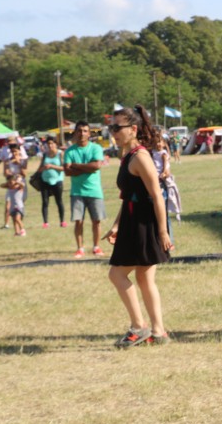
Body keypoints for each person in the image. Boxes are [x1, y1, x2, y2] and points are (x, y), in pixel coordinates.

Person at [103, 105, 173, 347]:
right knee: (144, 278)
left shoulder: (141, 157)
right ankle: (159, 332)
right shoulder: (128, 156)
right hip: (133, 222)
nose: (113, 131)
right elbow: (131, 196)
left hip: (144, 225)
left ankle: (138, 326)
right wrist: (116, 225)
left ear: (132, 129)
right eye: (111, 126)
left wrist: (163, 231)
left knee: (116, 274)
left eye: (117, 127)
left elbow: (156, 195)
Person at [64, 121, 106, 258]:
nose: (82, 133)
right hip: (77, 192)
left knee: (97, 221)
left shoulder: (96, 148)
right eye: (79, 130)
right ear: (75, 133)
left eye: (85, 131)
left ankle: (96, 246)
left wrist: (76, 166)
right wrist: (87, 168)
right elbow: (67, 171)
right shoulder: (70, 151)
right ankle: (80, 248)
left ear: (89, 133)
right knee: (78, 221)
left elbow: (97, 166)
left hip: (94, 191)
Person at [0, 138, 28, 229]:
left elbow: (24, 174)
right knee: (8, 205)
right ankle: (8, 225)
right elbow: (5, 173)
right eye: (12, 151)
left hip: (20, 186)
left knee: (19, 206)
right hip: (11, 185)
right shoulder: (7, 160)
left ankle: (19, 226)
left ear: (19, 151)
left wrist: (18, 163)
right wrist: (12, 177)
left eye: (16, 151)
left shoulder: (23, 160)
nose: (14, 153)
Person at [36, 137, 66, 229]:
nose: (50, 145)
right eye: (48, 144)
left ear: (56, 144)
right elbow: (40, 169)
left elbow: (64, 168)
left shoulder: (60, 154)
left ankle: (62, 221)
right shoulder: (45, 155)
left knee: (59, 201)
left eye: (52, 143)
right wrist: (42, 168)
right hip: (45, 180)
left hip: (57, 180)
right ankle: (45, 222)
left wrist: (52, 166)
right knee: (45, 202)